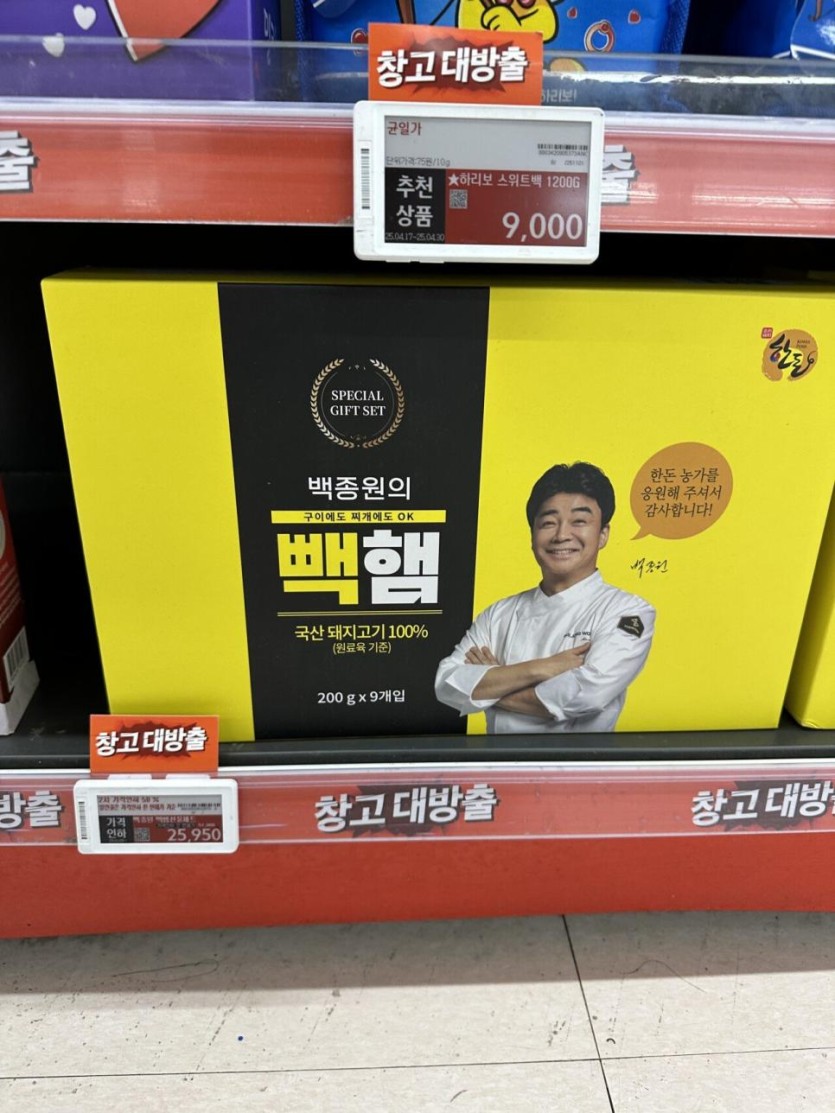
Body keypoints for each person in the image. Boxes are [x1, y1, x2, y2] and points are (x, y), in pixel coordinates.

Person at [435, 462, 655, 733]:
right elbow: (446, 683)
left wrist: (489, 685)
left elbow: (588, 694)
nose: (561, 535)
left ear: (603, 535)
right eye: (548, 523)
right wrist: (543, 668)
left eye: (579, 521)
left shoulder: (627, 611)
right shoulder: (499, 614)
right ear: (532, 535)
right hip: (498, 760)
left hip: (576, 761)